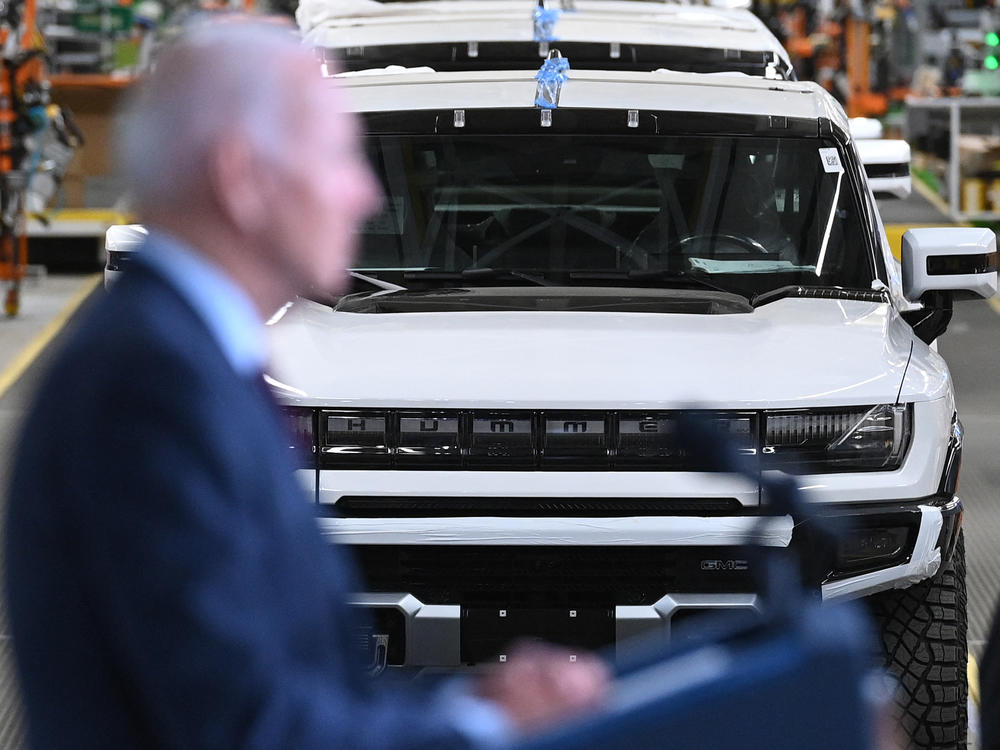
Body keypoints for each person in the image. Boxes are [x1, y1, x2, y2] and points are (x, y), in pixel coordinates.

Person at [3, 18, 608, 750]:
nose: (367, 196)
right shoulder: (148, 388)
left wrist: (477, 693)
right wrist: (480, 727)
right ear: (242, 177)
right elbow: (239, 724)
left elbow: (290, 674)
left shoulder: (190, 361)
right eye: (339, 157)